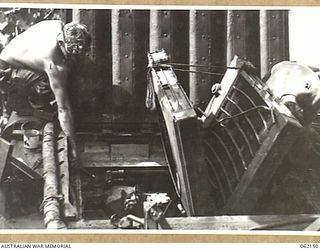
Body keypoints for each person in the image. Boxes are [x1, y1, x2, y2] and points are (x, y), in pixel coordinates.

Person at [0, 19, 91, 161]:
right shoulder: (53, 63)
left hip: (12, 60)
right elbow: (64, 108)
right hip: (5, 73)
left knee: (61, 75)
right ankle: (38, 110)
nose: (72, 58)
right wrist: (73, 146)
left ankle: (33, 101)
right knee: (48, 82)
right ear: (62, 43)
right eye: (70, 53)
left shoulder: (56, 24)